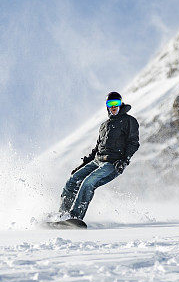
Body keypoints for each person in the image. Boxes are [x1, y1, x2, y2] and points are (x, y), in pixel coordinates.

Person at [59, 91, 139, 220]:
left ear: (121, 104)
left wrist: (124, 161)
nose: (113, 107)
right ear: (107, 106)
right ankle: (62, 215)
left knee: (88, 183)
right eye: (110, 104)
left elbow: (133, 143)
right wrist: (82, 165)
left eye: (116, 103)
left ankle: (75, 217)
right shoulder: (104, 125)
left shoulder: (129, 121)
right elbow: (97, 149)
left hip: (113, 163)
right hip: (97, 160)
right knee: (72, 180)